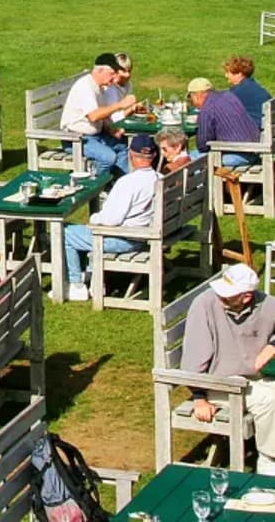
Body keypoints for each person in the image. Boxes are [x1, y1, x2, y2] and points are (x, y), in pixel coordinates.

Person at [180, 262, 275, 474]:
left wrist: (272, 346)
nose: (221, 298)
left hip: (256, 378)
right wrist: (199, 397)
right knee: (269, 400)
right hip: (222, 383)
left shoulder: (267, 304)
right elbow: (193, 363)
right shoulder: (204, 306)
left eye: (227, 295)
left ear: (247, 297)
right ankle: (270, 464)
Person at [62, 133, 160, 301]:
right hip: (145, 235)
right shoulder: (160, 179)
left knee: (65, 233)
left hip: (125, 239)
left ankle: (76, 284)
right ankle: (90, 273)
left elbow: (111, 220)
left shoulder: (127, 183)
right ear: (154, 155)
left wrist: (93, 220)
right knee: (83, 230)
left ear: (130, 154)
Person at [60, 53, 138, 177]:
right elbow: (94, 116)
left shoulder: (101, 86)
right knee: (108, 158)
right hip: (77, 139)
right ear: (100, 70)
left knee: (123, 147)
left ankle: (123, 185)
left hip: (96, 135)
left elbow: (102, 114)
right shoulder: (85, 87)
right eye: (112, 74)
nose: (114, 79)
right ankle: (94, 187)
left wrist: (110, 128)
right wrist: (120, 105)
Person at [189, 76, 259, 168]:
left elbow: (203, 146)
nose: (192, 102)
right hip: (255, 149)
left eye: (191, 98)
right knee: (194, 154)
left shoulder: (207, 109)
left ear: (197, 96)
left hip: (239, 155)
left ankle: (202, 182)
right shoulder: (228, 95)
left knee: (191, 159)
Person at [223, 55, 271, 128]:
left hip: (255, 133)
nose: (226, 75)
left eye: (228, 72)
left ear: (239, 74)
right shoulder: (254, 85)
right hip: (266, 127)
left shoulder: (238, 92)